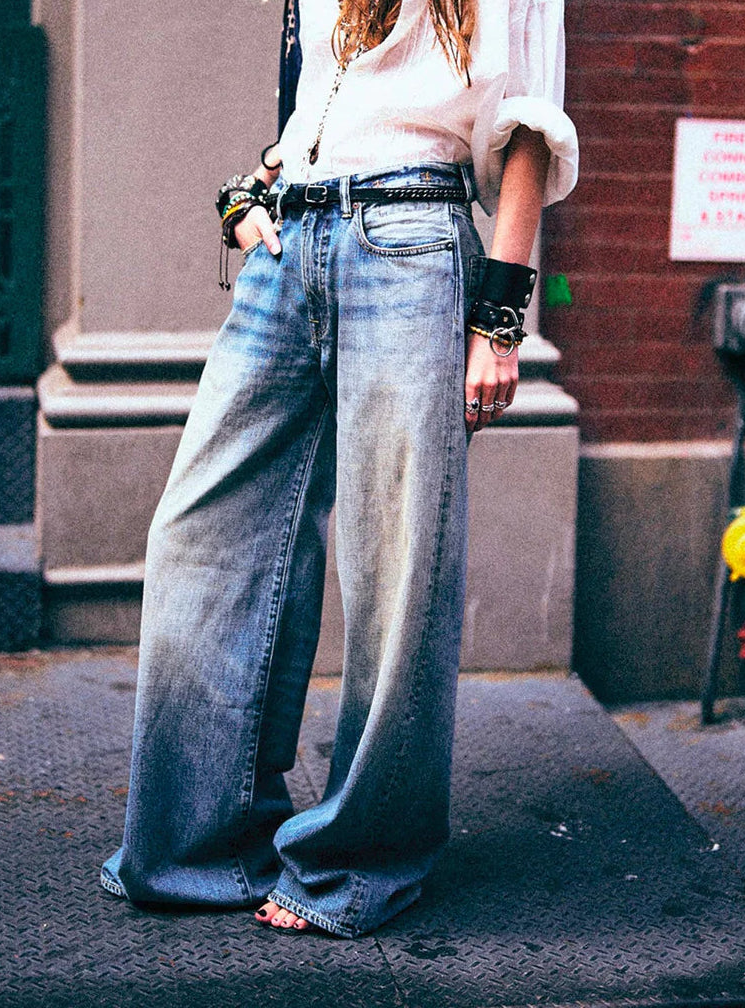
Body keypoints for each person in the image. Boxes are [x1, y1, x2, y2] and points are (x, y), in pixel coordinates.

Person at [100, 0, 578, 937]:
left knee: (397, 564)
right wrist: (248, 195)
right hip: (292, 241)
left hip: (412, 239)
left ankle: (362, 860)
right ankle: (202, 842)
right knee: (200, 534)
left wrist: (500, 320)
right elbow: (321, 92)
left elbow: (528, 127)